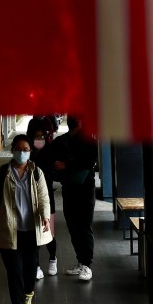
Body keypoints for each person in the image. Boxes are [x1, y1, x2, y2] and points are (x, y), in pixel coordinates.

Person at [0, 134, 53, 304]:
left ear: (30, 151)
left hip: (31, 231)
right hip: (9, 231)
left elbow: (44, 197)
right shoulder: (3, 172)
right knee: (14, 271)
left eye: (26, 149)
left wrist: (45, 216)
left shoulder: (36, 172)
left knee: (30, 269)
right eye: (19, 149)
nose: (22, 153)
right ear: (13, 150)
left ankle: (28, 294)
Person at [50, 114, 98, 281]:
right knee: (72, 225)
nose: (73, 119)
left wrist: (66, 165)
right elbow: (50, 157)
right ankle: (80, 261)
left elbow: (90, 161)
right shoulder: (62, 140)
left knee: (84, 225)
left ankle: (87, 265)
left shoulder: (88, 140)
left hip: (85, 190)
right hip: (69, 188)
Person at [26, 122, 58, 279]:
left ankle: (53, 259)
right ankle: (36, 265)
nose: (39, 139)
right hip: (29, 198)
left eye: (42, 137)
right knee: (34, 233)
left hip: (47, 197)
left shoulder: (50, 152)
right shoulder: (27, 153)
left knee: (49, 231)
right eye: (36, 137)